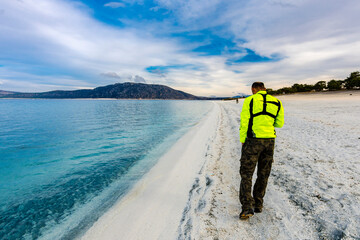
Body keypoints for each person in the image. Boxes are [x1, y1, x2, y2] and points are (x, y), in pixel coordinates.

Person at [239, 82, 284, 219]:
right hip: (270, 141)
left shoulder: (250, 100)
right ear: (265, 89)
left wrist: (242, 139)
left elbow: (244, 121)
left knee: (247, 173)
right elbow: (279, 124)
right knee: (263, 173)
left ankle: (247, 207)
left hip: (253, 140)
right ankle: (258, 204)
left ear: (253, 89)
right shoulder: (277, 102)